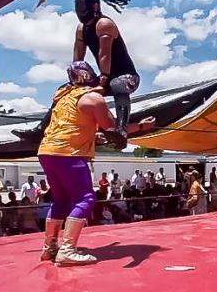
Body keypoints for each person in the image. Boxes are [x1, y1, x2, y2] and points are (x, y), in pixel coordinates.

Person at [37, 61, 155, 266]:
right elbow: (114, 130)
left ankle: (50, 247)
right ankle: (67, 250)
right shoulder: (93, 99)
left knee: (61, 199)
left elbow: (74, 127)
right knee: (85, 198)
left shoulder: (63, 98)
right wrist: (142, 126)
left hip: (47, 151)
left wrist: (93, 137)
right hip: (69, 154)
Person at [14, 0, 138, 148]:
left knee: (118, 84)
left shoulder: (104, 24)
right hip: (104, 76)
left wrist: (104, 78)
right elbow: (78, 57)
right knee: (65, 89)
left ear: (94, 7)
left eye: (83, 9)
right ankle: (40, 129)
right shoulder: (81, 29)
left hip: (126, 76)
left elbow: (104, 54)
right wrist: (75, 80)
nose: (80, 12)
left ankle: (122, 129)